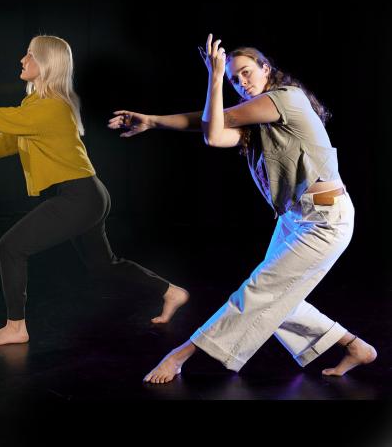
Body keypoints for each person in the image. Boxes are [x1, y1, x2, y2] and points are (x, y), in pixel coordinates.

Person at [107, 34, 377, 383]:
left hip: (325, 220)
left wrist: (215, 77)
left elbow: (213, 126)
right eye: (235, 78)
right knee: (277, 299)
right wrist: (153, 120)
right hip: (296, 218)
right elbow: (215, 131)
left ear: (267, 69)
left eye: (248, 72)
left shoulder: (286, 99)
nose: (243, 82)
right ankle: (355, 346)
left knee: (260, 292)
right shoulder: (258, 122)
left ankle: (179, 356)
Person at [0, 36, 188, 346]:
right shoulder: (36, 105)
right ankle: (172, 291)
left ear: (47, 63)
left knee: (10, 247)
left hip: (79, 196)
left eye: (29, 55)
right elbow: (1, 143)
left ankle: (15, 327)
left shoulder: (52, 107)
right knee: (103, 266)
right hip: (87, 195)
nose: (22, 61)